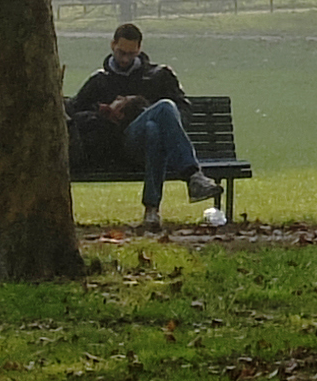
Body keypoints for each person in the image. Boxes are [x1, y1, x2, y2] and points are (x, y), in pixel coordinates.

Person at [69, 21, 215, 231]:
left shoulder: (159, 76)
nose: (125, 59)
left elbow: (184, 111)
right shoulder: (99, 81)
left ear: (139, 49)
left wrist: (138, 104)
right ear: (112, 45)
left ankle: (151, 212)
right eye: (121, 53)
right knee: (164, 107)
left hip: (152, 143)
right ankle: (193, 175)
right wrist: (102, 113)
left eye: (131, 53)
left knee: (155, 128)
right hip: (120, 145)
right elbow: (74, 112)